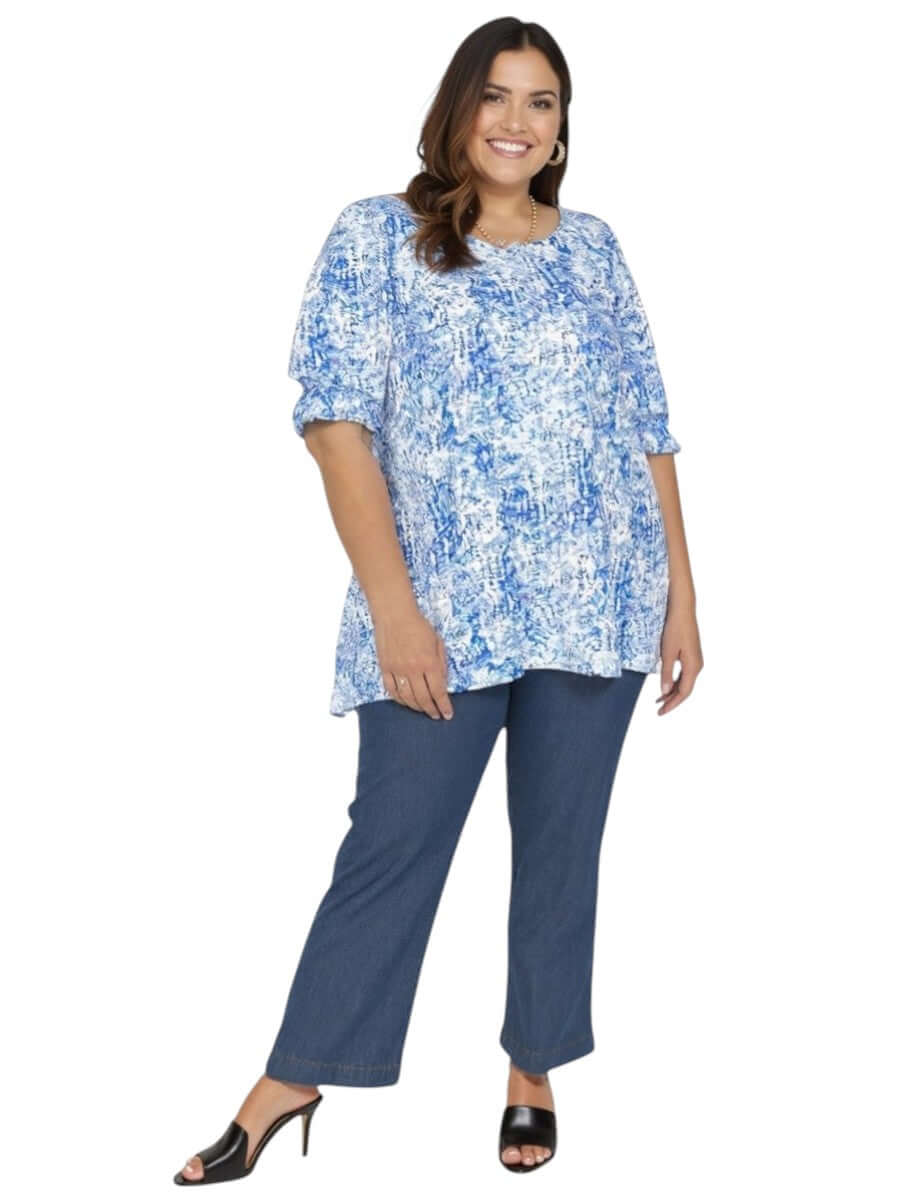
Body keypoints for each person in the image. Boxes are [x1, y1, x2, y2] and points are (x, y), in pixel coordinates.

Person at [174, 17, 703, 1185]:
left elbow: (649, 428)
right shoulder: (378, 236)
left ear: (563, 128)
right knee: (394, 839)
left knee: (562, 847)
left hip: (601, 598)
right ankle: (294, 1075)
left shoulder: (595, 248)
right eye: (497, 97)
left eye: (542, 102)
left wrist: (682, 598)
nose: (518, 122)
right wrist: (396, 610)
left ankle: (532, 1068)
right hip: (441, 612)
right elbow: (335, 424)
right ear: (458, 109)